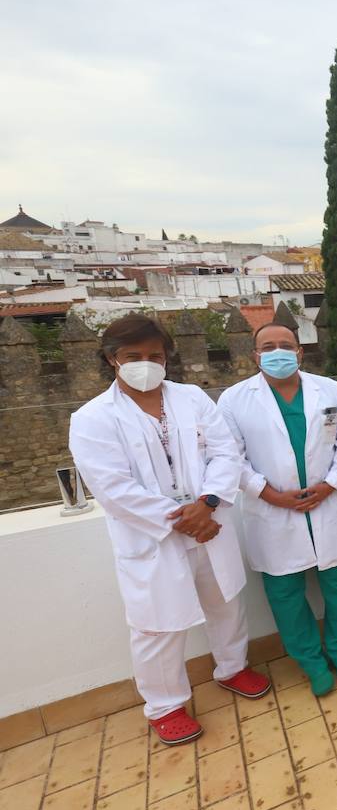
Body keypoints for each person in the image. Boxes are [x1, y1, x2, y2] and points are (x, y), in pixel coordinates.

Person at [69, 315, 270, 745]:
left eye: (154, 356)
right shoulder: (92, 419)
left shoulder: (192, 398)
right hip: (154, 538)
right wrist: (183, 519)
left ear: (167, 358)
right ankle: (165, 705)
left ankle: (232, 668)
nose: (146, 363)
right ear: (112, 360)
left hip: (209, 524)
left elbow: (224, 452)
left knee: (225, 602)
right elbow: (113, 489)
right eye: (133, 356)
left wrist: (209, 503)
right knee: (157, 626)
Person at [219, 322, 337, 696]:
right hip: (272, 512)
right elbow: (229, 457)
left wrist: (330, 485)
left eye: (286, 345)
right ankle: (312, 663)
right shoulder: (234, 400)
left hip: (327, 503)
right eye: (268, 346)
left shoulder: (328, 389)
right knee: (285, 595)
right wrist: (268, 494)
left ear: (300, 352)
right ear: (255, 355)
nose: (277, 351)